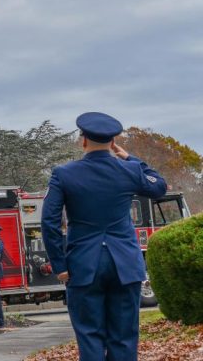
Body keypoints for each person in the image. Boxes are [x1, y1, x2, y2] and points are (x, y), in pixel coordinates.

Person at [42, 112, 167, 361]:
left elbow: (49, 222)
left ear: (83, 140)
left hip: (83, 265)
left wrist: (60, 265)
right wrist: (132, 158)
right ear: (112, 142)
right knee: (124, 339)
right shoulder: (128, 170)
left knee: (90, 338)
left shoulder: (63, 174)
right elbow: (158, 185)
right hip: (125, 265)